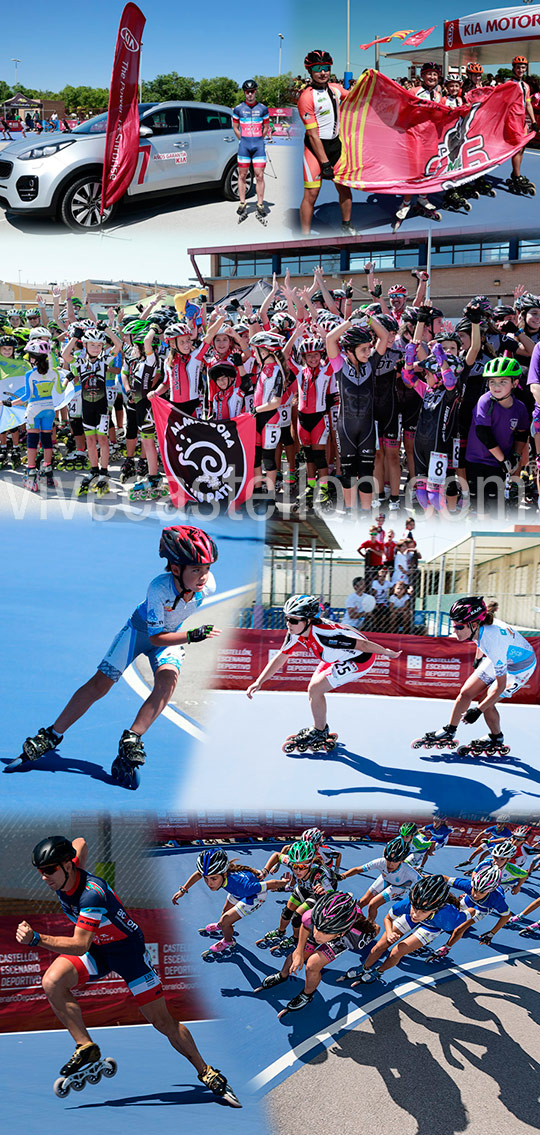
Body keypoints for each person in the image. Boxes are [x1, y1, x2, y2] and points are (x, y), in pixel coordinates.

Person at [17, 836, 240, 1105]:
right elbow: (81, 841)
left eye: (49, 870)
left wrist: (36, 939)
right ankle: (86, 1047)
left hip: (128, 954)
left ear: (66, 865)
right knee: (52, 981)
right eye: (41, 871)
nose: (44, 878)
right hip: (99, 950)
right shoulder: (66, 872)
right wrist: (73, 857)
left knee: (163, 1022)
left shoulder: (91, 894)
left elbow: (79, 944)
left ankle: (206, 1072)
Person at [12, 527, 221, 787]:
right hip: (140, 633)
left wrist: (186, 635)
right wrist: (191, 636)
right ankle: (52, 734)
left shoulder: (208, 586)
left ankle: (133, 737)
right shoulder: (158, 588)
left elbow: (166, 636)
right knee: (100, 685)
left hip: (169, 637)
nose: (204, 576)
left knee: (167, 683)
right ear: (176, 569)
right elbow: (155, 638)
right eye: (196, 570)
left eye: (207, 568)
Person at [246, 593, 401, 751]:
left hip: (359, 660)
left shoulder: (327, 636)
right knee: (313, 689)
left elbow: (363, 645)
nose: (288, 624)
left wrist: (386, 652)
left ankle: (319, 731)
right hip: (336, 657)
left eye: (293, 620)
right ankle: (321, 728)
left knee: (316, 689)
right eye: (286, 618)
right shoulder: (295, 633)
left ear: (309, 620)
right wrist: (259, 681)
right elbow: (280, 658)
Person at [413, 596, 537, 755]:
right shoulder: (478, 628)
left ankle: (496, 737)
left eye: (458, 627)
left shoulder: (493, 642)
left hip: (520, 667)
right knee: (466, 693)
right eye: (453, 625)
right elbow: (481, 641)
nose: (454, 630)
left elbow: (499, 687)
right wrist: (479, 658)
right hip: (502, 655)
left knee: (487, 703)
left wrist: (477, 710)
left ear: (473, 624)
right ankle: (450, 730)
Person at [255, 890, 378, 1013]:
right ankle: (282, 975)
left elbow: (376, 929)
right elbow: (306, 925)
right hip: (329, 927)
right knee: (297, 955)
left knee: (312, 965)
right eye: (318, 928)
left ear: (340, 933)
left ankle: (307, 994)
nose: (317, 935)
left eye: (325, 932)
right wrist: (298, 952)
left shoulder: (356, 937)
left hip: (341, 940)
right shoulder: (312, 916)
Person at [172, 847, 285, 953]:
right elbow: (198, 874)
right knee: (224, 914)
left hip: (254, 896)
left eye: (213, 879)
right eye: (206, 879)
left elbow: (271, 884)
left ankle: (228, 941)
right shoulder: (222, 874)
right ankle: (222, 926)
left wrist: (285, 882)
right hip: (236, 890)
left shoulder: (244, 886)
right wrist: (183, 889)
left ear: (224, 874)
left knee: (226, 920)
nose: (209, 883)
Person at [297, 50, 355, 236]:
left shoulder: (336, 88)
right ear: (310, 71)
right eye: (318, 69)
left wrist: (371, 84)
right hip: (315, 150)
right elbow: (313, 136)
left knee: (345, 190)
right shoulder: (306, 97)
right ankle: (304, 236)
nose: (323, 73)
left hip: (335, 147)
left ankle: (346, 225)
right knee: (311, 195)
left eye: (326, 68)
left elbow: (355, 98)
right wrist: (324, 163)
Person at [232, 80, 270, 222]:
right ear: (244, 92)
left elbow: (266, 127)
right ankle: (243, 203)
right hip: (244, 146)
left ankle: (260, 204)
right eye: (247, 92)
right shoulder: (238, 109)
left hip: (258, 146)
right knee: (242, 175)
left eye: (252, 91)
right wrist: (242, 139)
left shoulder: (263, 109)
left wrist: (260, 138)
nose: (249, 94)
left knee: (259, 176)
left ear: (256, 91)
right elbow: (235, 127)